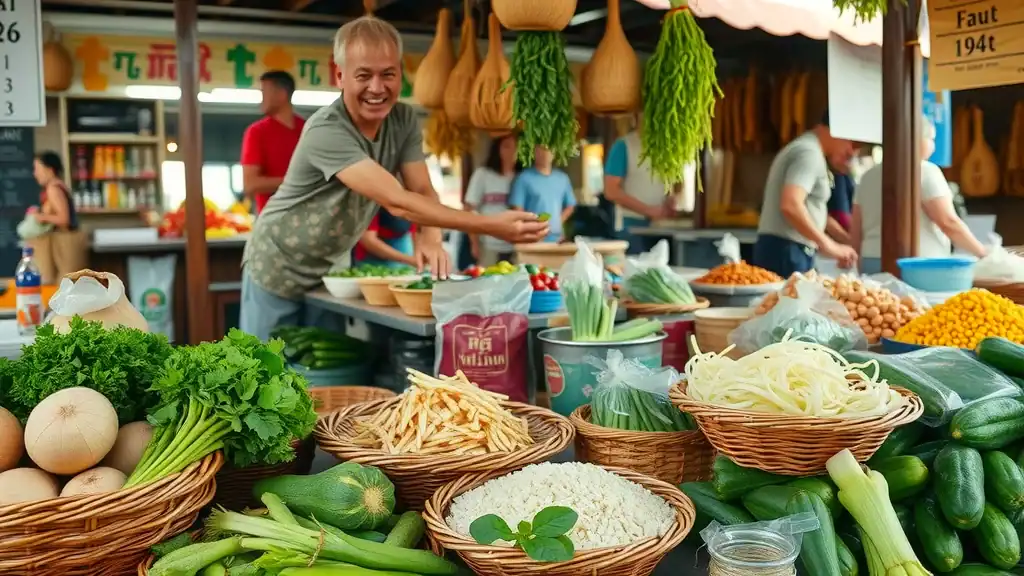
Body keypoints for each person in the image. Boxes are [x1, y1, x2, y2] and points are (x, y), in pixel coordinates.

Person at [240, 16, 548, 340]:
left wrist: (430, 236)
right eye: (364, 75)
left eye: (388, 74)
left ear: (401, 73)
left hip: (329, 271)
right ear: (339, 76)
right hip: (276, 264)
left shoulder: (402, 119)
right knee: (260, 373)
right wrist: (490, 224)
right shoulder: (326, 129)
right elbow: (398, 201)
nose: (377, 88)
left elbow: (421, 188)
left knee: (324, 370)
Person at [852, 117, 986, 274]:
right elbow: (948, 222)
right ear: (918, 139)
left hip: (871, 262)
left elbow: (856, 228)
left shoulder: (868, 176)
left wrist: (859, 264)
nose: (933, 147)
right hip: (920, 265)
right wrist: (983, 253)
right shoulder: (925, 171)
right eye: (931, 139)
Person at [753, 114, 859, 278]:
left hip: (791, 250)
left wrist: (844, 242)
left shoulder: (810, 151)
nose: (850, 151)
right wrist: (828, 245)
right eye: (851, 143)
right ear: (834, 130)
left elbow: (810, 210)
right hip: (787, 251)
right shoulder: (808, 153)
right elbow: (791, 205)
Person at [603, 116, 676, 253]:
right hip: (630, 226)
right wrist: (648, 210)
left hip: (660, 226)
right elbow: (611, 191)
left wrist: (669, 201)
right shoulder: (624, 146)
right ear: (637, 117)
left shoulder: (664, 146)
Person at [241, 70, 306, 215]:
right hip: (272, 221)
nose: (261, 100)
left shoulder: (309, 130)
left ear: (281, 94)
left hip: (309, 220)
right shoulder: (257, 132)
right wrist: (299, 182)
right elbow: (250, 184)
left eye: (264, 93)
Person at [26, 151, 87, 284]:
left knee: (62, 285)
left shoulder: (53, 188)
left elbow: (64, 220)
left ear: (49, 169)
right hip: (63, 245)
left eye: (37, 168)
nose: (35, 173)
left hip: (64, 244)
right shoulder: (58, 186)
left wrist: (41, 217)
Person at [464, 135, 519, 266]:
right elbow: (469, 209)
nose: (512, 151)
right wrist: (474, 243)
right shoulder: (483, 174)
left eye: (516, 147)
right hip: (488, 245)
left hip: (517, 246)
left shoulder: (523, 176)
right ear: (497, 149)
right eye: (506, 146)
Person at [507, 146, 576, 243]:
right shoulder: (523, 178)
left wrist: (558, 221)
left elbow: (570, 205)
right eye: (541, 149)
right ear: (534, 151)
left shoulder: (562, 178)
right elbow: (518, 210)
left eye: (548, 149)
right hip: (532, 238)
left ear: (554, 152)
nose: (545, 153)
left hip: (557, 239)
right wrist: (530, 229)